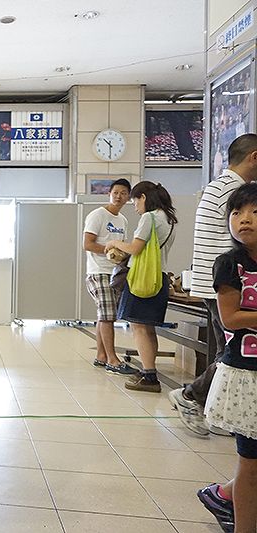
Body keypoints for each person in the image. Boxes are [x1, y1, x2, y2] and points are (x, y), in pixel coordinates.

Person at [171, 134, 257, 437]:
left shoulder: (217, 186)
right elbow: (236, 244)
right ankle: (191, 397)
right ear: (254, 157)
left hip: (217, 284)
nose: (246, 219)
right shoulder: (235, 191)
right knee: (231, 353)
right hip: (227, 286)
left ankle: (220, 410)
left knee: (230, 351)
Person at [199, 182, 257, 533]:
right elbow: (231, 318)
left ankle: (221, 496)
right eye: (236, 212)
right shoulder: (230, 264)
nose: (244, 219)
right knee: (250, 462)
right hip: (247, 375)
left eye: (254, 211)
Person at [105, 181, 177, 393]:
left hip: (142, 278)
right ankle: (149, 370)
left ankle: (149, 376)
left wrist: (114, 243)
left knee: (139, 328)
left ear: (143, 197)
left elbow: (135, 248)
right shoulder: (169, 219)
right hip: (159, 278)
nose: (135, 206)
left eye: (135, 200)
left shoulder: (150, 217)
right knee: (148, 328)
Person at [83, 178, 137, 375]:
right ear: (109, 194)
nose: (118, 196)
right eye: (115, 192)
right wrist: (109, 250)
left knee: (104, 315)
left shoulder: (123, 220)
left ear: (128, 197)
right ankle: (113, 360)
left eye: (123, 193)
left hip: (114, 273)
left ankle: (101, 356)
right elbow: (88, 244)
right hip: (98, 271)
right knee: (108, 317)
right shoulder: (98, 215)